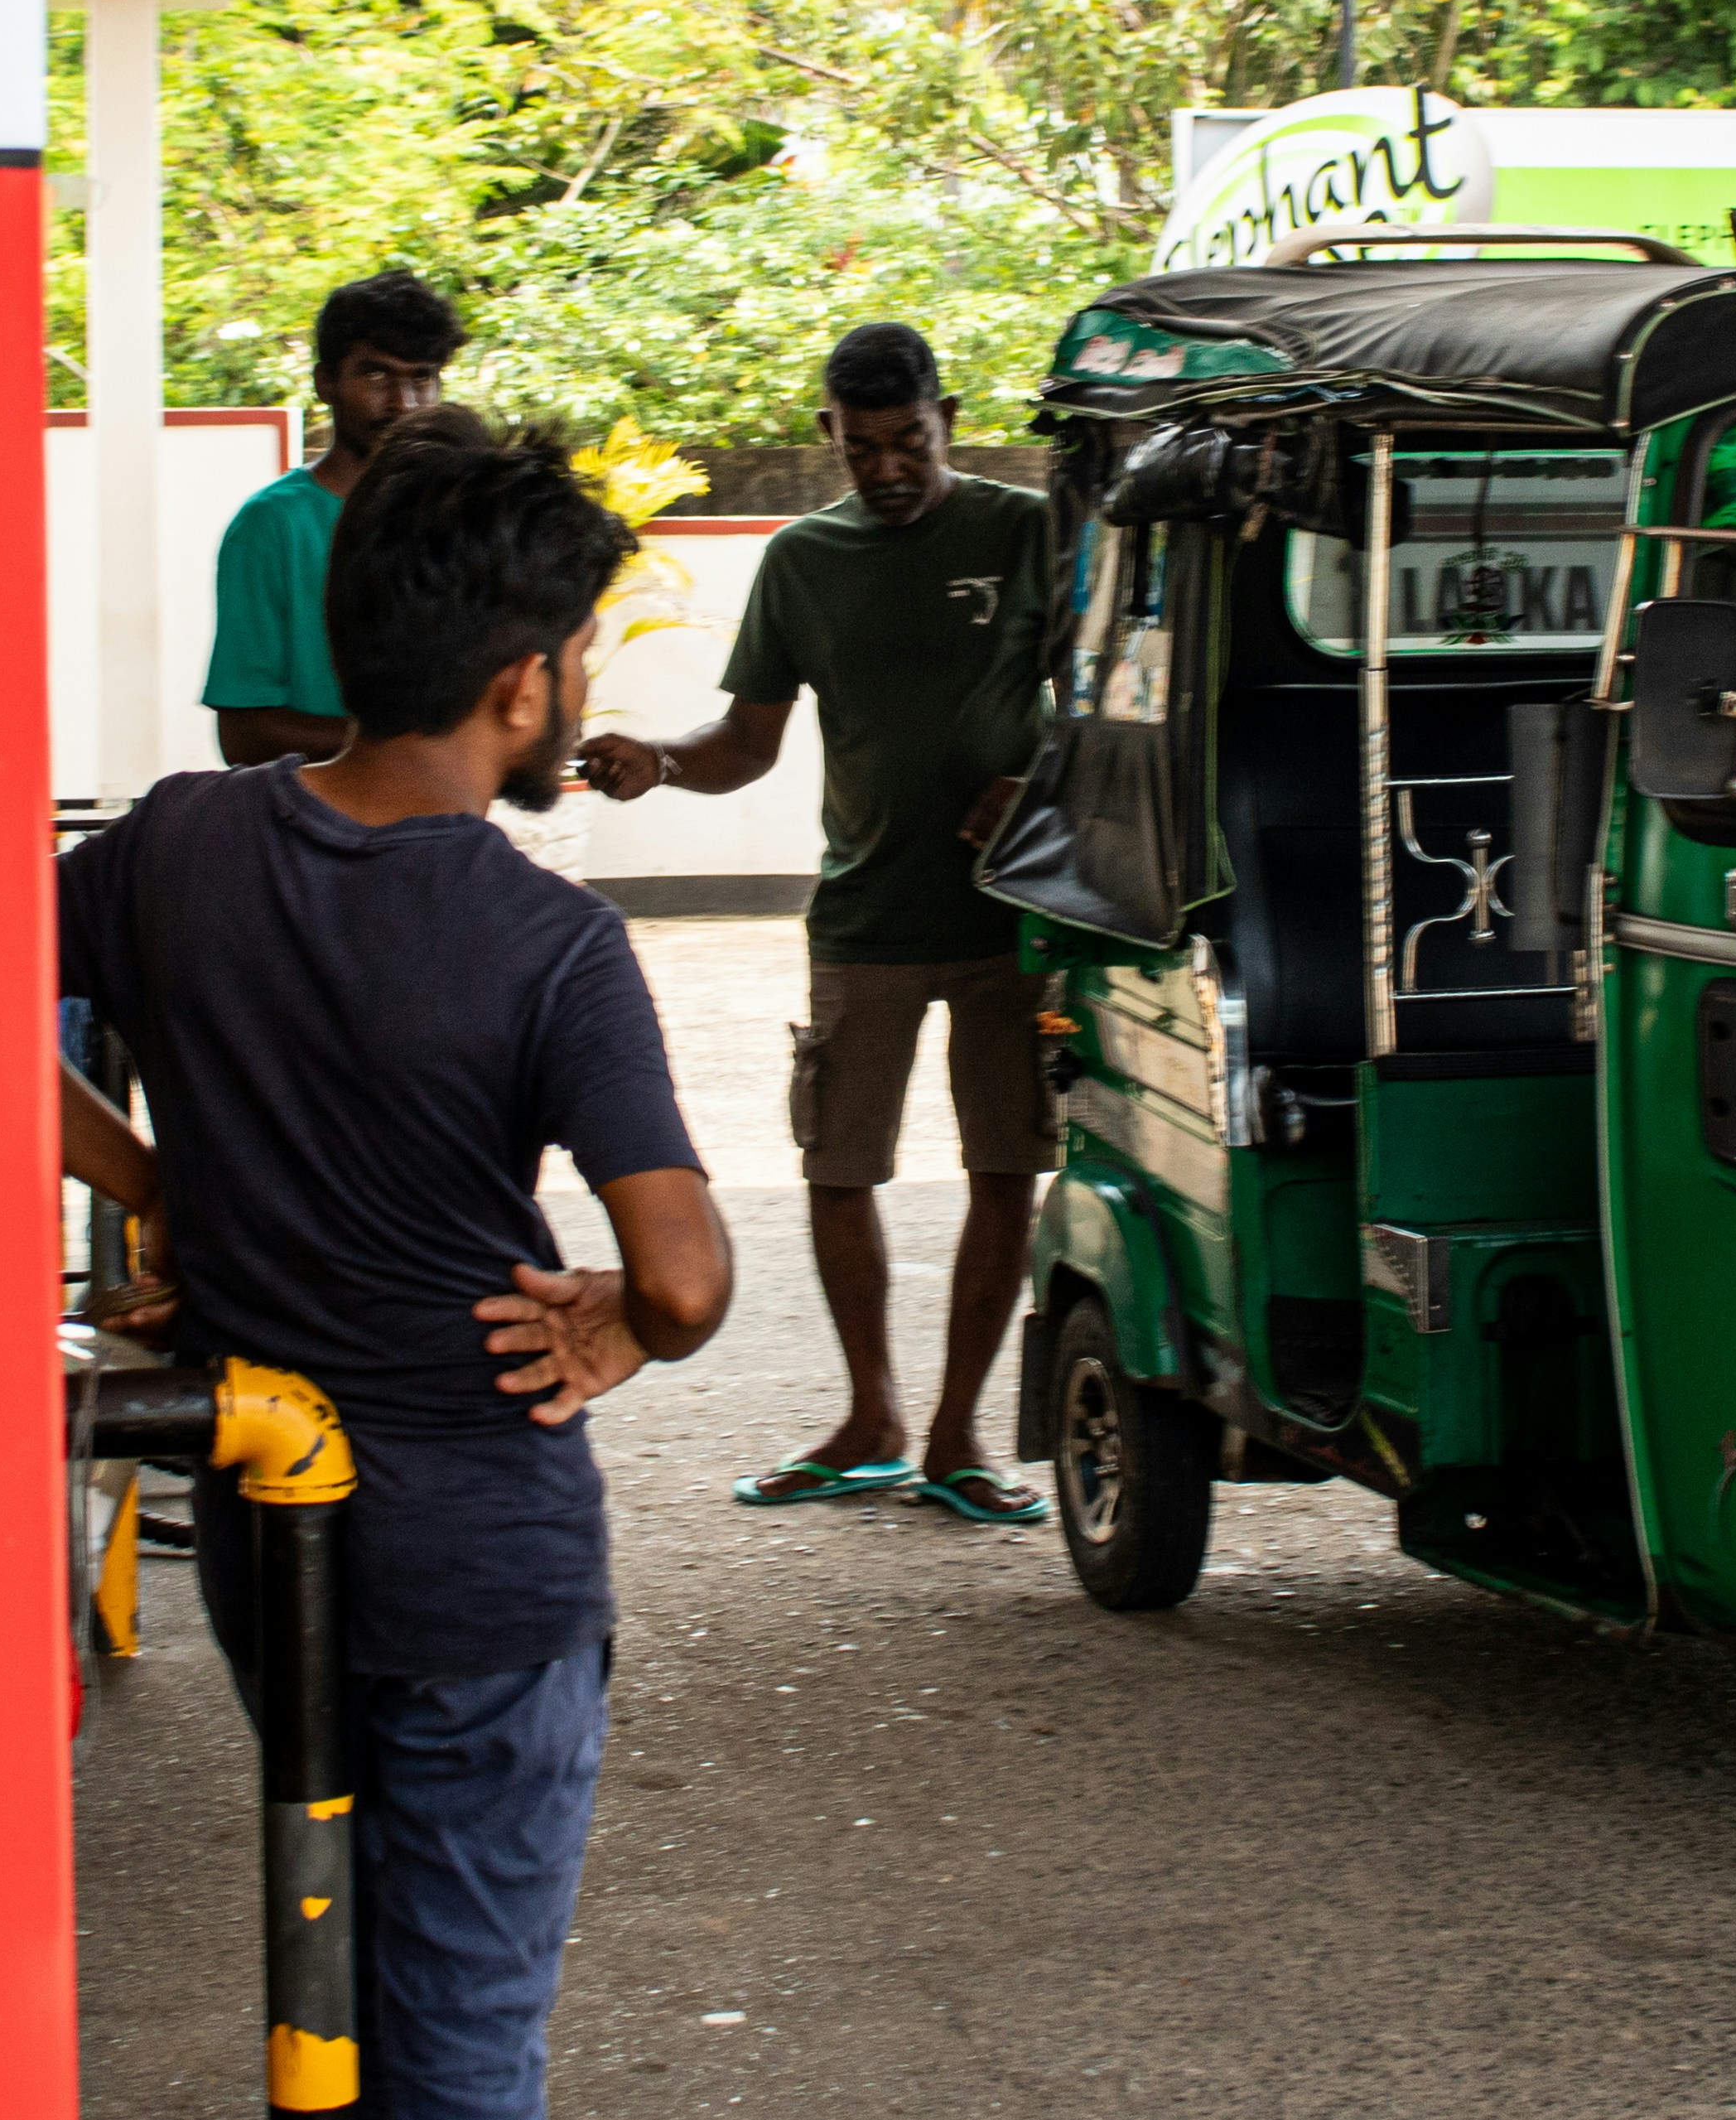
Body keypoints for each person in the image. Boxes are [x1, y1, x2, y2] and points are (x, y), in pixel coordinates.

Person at [60, 411, 732, 2120]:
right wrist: (621, 1328)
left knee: (337, 1993)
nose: (580, 689)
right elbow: (686, 1276)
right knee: (461, 2041)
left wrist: (167, 1187)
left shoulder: (179, 843)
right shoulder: (550, 943)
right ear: (519, 684)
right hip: (480, 1575)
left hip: (275, 1560)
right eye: (579, 655)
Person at [575, 322, 1054, 1528]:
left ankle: (957, 1437)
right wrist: (656, 766)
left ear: (948, 419)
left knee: (1006, 1169)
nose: (887, 469)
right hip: (862, 916)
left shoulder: (1024, 530)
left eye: (910, 443)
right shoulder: (802, 560)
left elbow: (1115, 693)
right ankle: (870, 1418)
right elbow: (745, 743)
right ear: (826, 433)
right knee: (837, 1171)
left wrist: (1042, 785)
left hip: (1014, 916)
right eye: (862, 448)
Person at [206, 268, 465, 764]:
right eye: (375, 374)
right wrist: (410, 749)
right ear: (327, 382)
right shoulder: (272, 525)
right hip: (311, 830)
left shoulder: (461, 513)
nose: (403, 403)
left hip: (443, 819)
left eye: (421, 378)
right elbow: (245, 734)